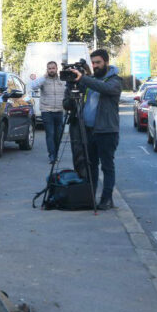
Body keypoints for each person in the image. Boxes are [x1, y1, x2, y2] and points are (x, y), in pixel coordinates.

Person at [68, 49, 122, 211]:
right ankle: (90, 197)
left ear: (106, 62)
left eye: (98, 62)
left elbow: (104, 88)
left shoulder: (115, 81)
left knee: (107, 166)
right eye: (93, 63)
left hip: (106, 131)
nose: (96, 66)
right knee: (91, 166)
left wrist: (84, 78)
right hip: (89, 130)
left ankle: (106, 199)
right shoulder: (90, 80)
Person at [29, 61, 65, 164]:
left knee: (58, 135)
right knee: (50, 134)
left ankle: (56, 154)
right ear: (47, 69)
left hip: (59, 110)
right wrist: (43, 77)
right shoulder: (43, 79)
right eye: (49, 68)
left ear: (56, 69)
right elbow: (33, 86)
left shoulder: (62, 79)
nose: (51, 70)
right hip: (47, 111)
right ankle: (52, 156)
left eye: (53, 68)